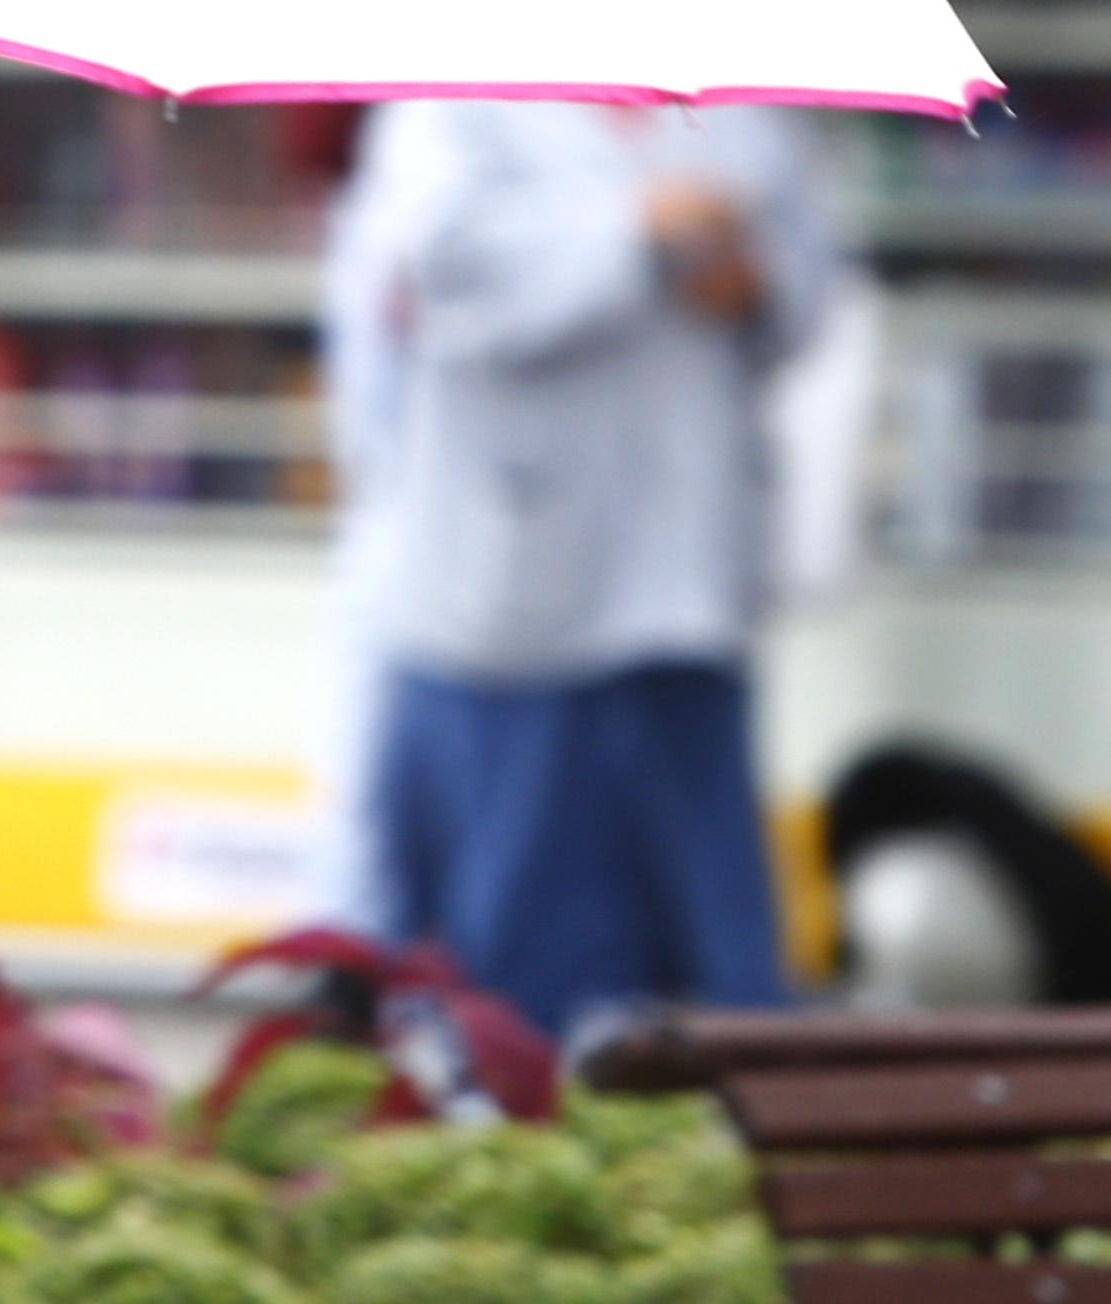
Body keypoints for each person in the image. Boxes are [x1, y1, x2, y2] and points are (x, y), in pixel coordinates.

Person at [327, 98, 839, 1044]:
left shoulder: (749, 106)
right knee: (521, 973)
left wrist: (757, 284)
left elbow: (810, 292)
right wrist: (635, 231)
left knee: (714, 971)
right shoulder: (449, 103)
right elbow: (441, 284)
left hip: (688, 593)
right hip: (514, 595)